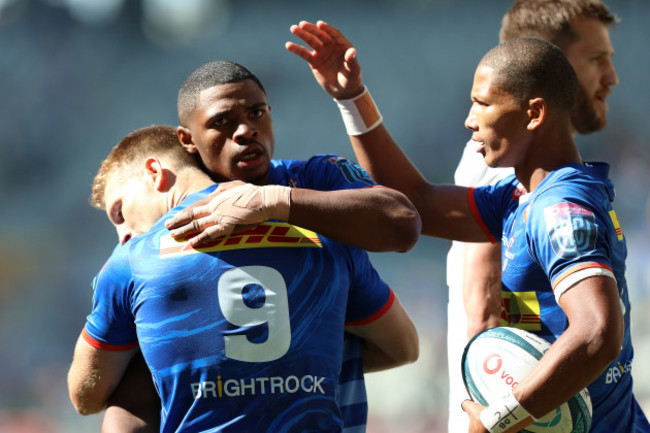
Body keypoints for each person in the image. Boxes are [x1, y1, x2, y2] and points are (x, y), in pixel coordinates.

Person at [288, 22, 649, 432]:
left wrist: (500, 417)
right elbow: (417, 199)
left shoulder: (558, 209)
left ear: (533, 113)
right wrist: (352, 97)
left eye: (482, 104)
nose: (469, 120)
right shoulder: (520, 197)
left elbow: (597, 333)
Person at [99, 60, 423, 433]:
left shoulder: (317, 183)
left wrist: (272, 201)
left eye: (257, 113)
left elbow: (403, 223)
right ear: (187, 140)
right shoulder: (156, 256)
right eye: (222, 121)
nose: (246, 130)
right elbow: (90, 397)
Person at [442, 1, 620, 430]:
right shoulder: (500, 159)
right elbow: (485, 311)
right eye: (597, 60)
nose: (611, 77)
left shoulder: (553, 170)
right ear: (547, 60)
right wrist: (495, 417)